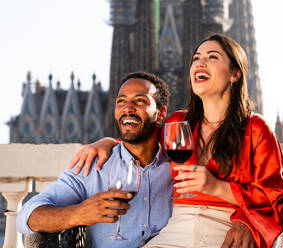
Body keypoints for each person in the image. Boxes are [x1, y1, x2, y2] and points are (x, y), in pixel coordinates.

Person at [71, 34, 283, 248]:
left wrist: (233, 206)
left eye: (212, 57)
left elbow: (274, 194)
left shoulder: (256, 129)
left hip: (225, 228)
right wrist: (108, 142)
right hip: (177, 228)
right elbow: (140, 144)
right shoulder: (178, 123)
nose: (200, 63)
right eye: (196, 58)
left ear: (235, 74)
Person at [16, 71, 174, 247]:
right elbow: (26, 217)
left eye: (140, 101)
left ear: (161, 114)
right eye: (121, 101)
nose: (127, 108)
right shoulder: (93, 167)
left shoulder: (179, 166)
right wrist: (79, 213)